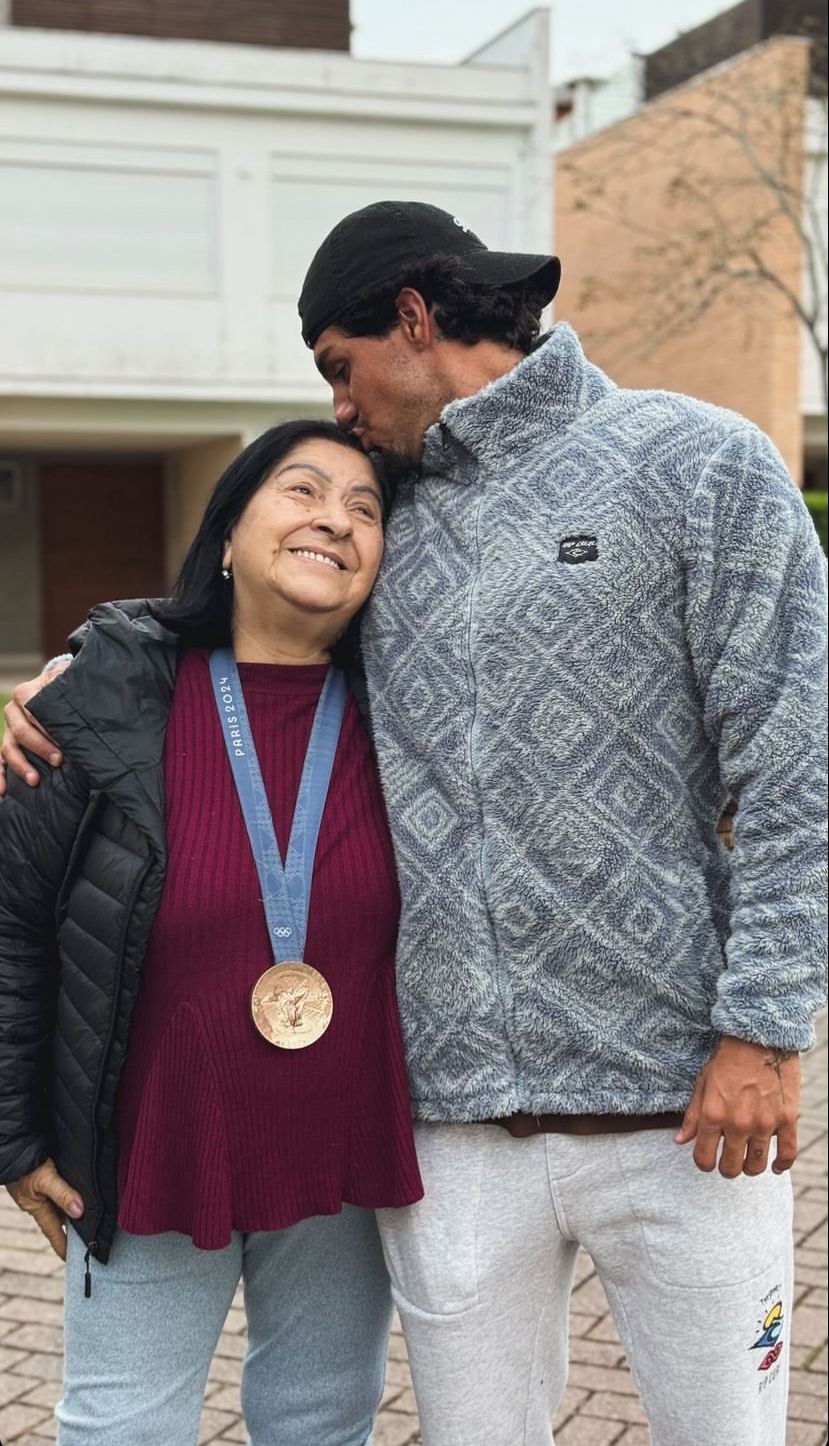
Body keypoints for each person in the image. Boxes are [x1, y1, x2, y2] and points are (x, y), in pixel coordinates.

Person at [4, 202, 827, 1446]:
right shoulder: (392, 519)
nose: (338, 410)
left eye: (339, 368)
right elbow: (242, 606)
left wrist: (763, 1027)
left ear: (410, 318)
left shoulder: (696, 462)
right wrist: (88, 664)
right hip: (446, 1133)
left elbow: (796, 755)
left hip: (681, 1111)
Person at [0, 418, 423, 1446]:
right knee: (118, 1430)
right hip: (152, 1139)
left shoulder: (414, 717)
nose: (335, 519)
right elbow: (12, 926)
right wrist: (11, 1134)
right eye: (302, 490)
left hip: (341, 1146)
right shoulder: (102, 702)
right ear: (227, 534)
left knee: (321, 1421)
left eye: (365, 510)